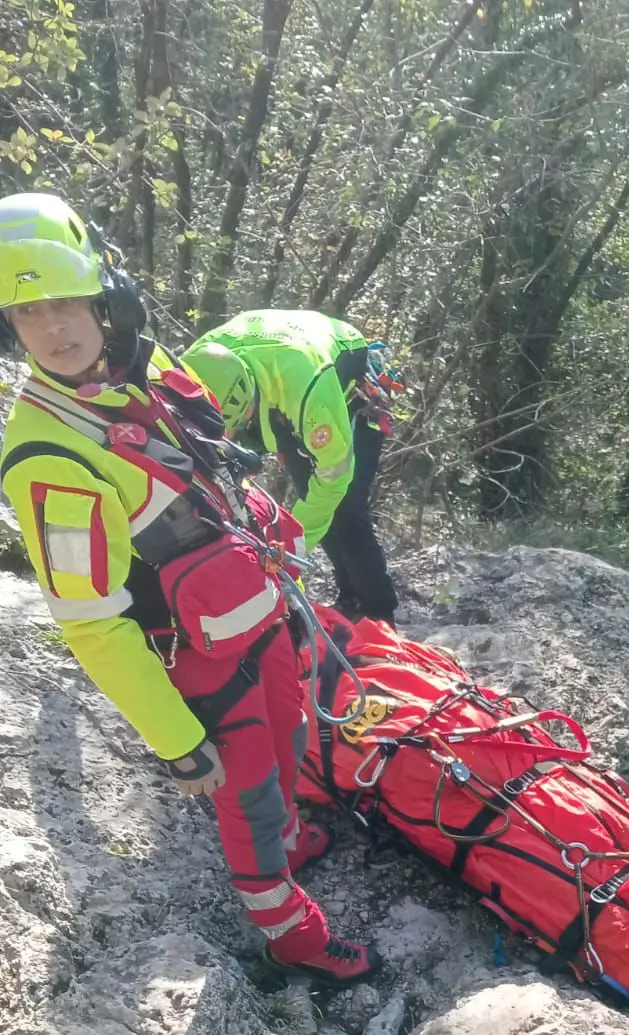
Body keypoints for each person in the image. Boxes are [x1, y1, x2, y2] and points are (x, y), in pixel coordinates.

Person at [0, 192, 380, 987]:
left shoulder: (145, 365)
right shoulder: (49, 459)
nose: (55, 330)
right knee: (251, 796)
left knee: (287, 749)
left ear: (105, 297)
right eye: (29, 313)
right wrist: (175, 740)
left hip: (261, 610)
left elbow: (215, 470)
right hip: (202, 657)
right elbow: (93, 623)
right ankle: (289, 931)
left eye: (67, 302)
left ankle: (285, 843)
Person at [182, 310, 399, 621]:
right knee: (308, 494)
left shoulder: (308, 387)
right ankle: (350, 598)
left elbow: (334, 477)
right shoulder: (194, 369)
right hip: (281, 394)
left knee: (345, 507)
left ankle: (379, 611)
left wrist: (285, 552)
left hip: (344, 382)